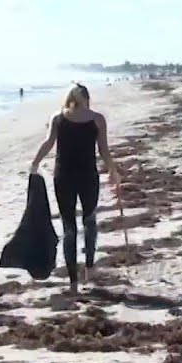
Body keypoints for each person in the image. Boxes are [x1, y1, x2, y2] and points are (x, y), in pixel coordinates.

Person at [29, 83, 120, 293]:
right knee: (89, 220)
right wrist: (113, 172)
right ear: (87, 98)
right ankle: (89, 268)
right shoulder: (97, 119)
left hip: (64, 177)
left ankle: (73, 282)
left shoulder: (58, 118)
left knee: (68, 227)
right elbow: (104, 150)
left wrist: (34, 164)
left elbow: (47, 143)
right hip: (88, 176)